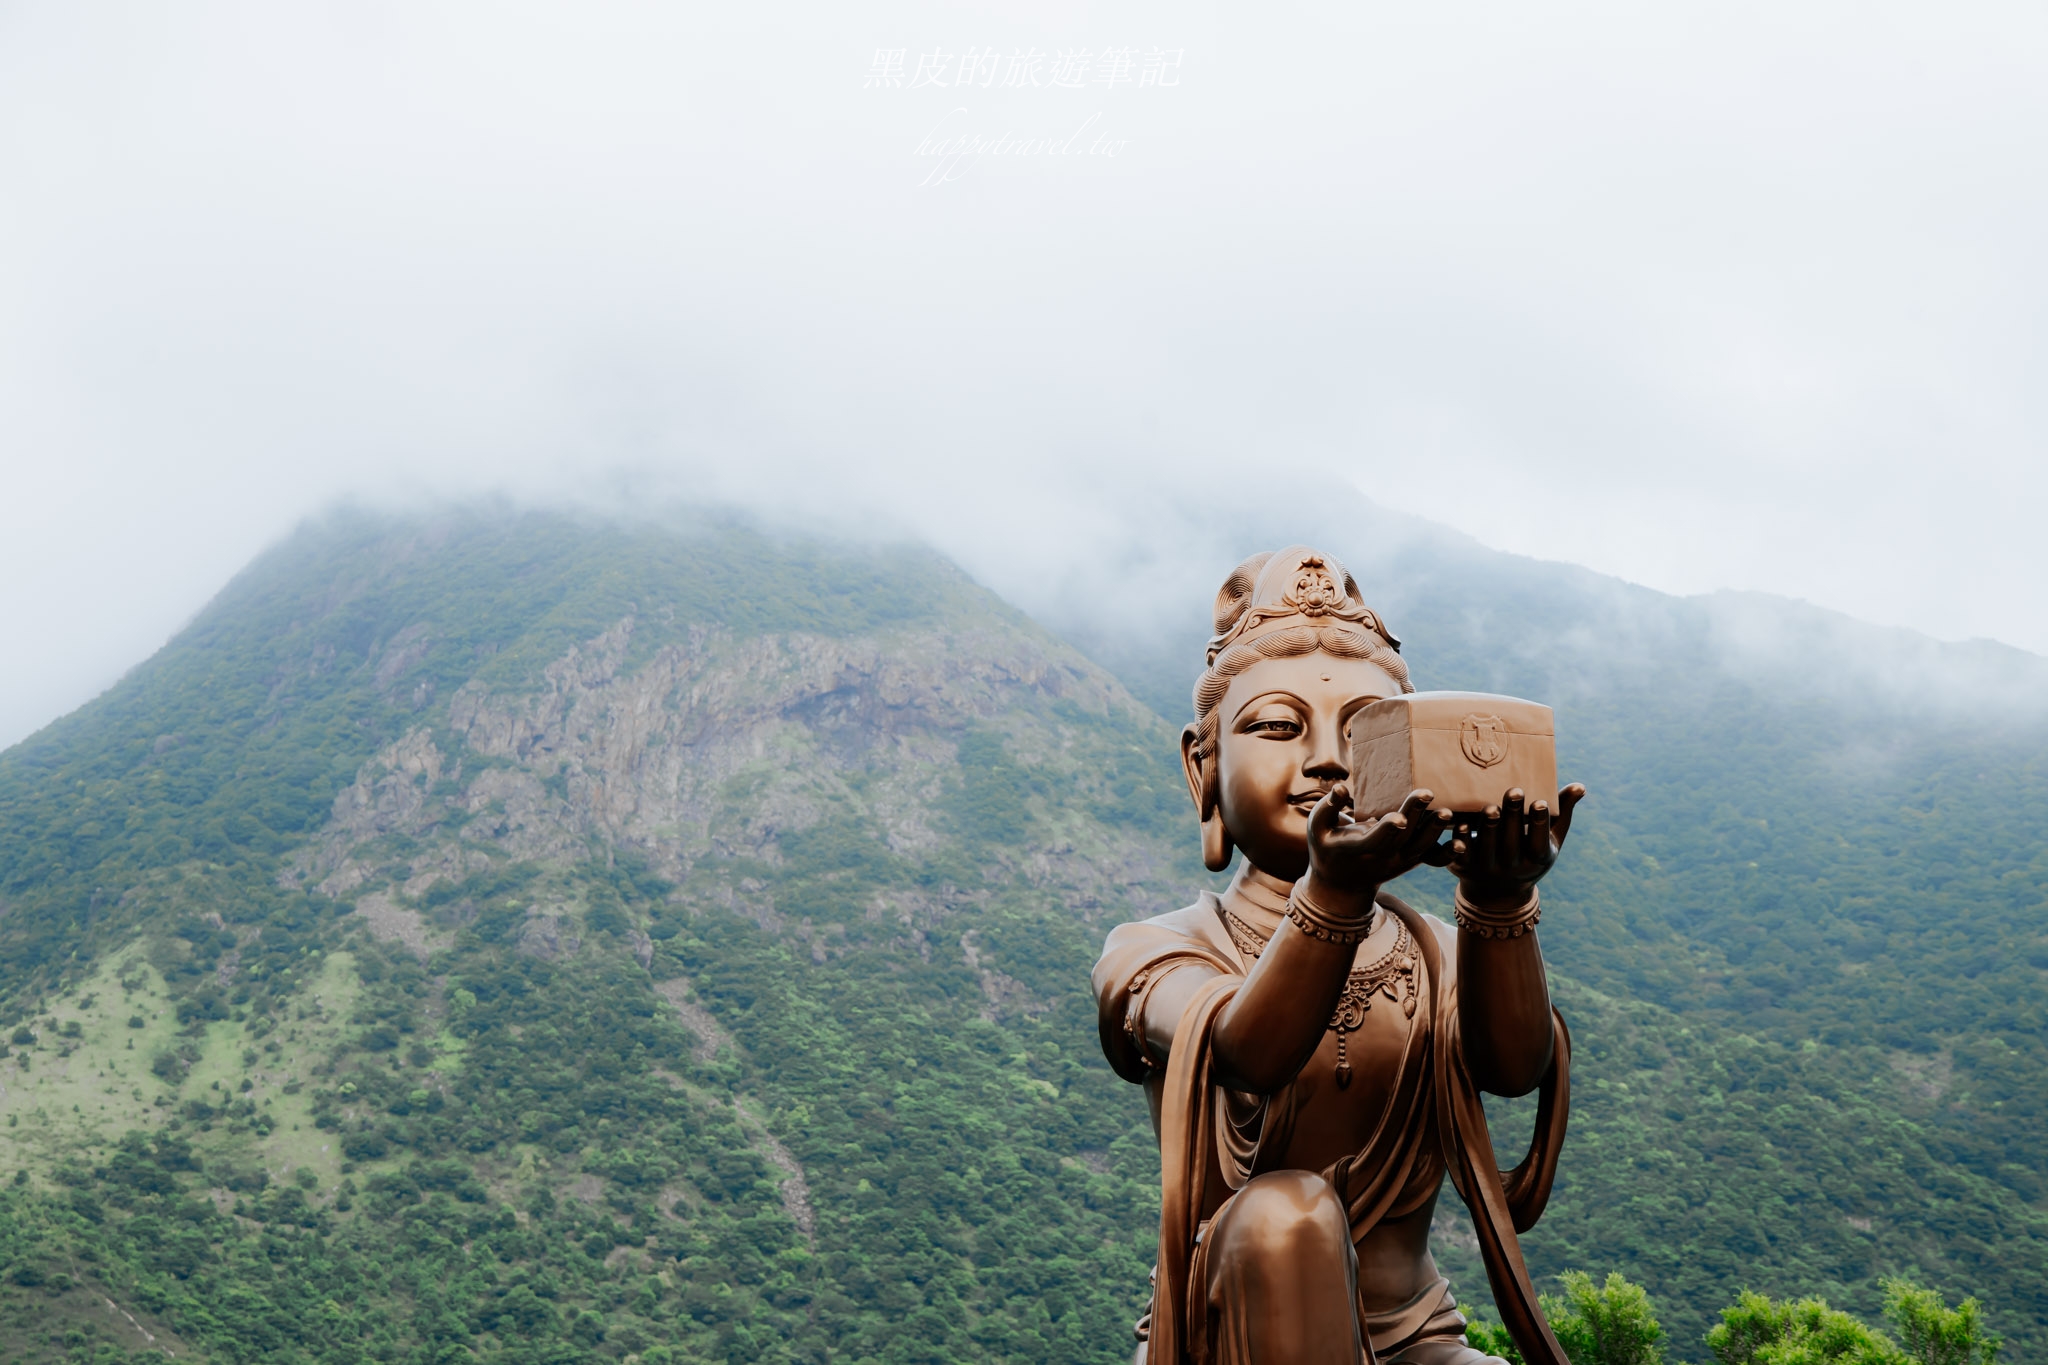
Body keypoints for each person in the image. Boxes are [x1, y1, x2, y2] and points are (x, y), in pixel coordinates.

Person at [1093, 546, 1586, 1365]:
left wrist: (1501, 903)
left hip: (1416, 1341)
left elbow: (1511, 1065)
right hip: (1237, 1333)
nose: (1327, 757)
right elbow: (1246, 1049)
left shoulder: (1434, 951)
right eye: (1279, 726)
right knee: (1282, 1216)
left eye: (1364, 731)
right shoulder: (1158, 949)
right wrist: (1332, 896)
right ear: (1202, 768)